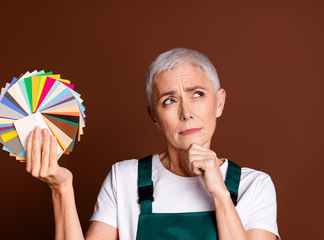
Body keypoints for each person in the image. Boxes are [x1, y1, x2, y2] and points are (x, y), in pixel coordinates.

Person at [25, 48, 280, 240]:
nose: (186, 112)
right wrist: (61, 189)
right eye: (169, 100)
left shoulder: (254, 187)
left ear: (220, 102)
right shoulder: (124, 179)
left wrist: (221, 195)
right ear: (154, 117)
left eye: (198, 94)